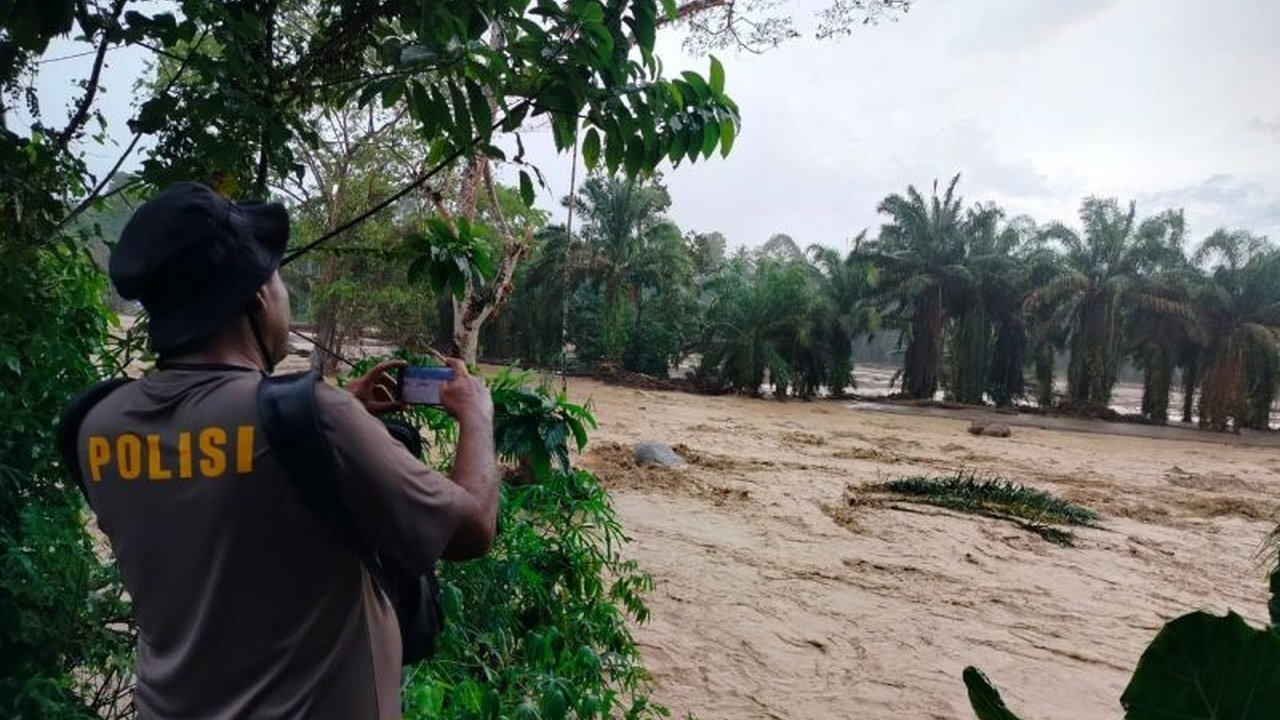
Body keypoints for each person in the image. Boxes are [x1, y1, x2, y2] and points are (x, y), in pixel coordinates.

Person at [76, 181, 500, 719]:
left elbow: (217, 495)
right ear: (257, 296)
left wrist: (335, 422)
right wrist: (476, 415)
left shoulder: (96, 423)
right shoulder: (317, 416)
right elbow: (472, 528)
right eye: (277, 279)